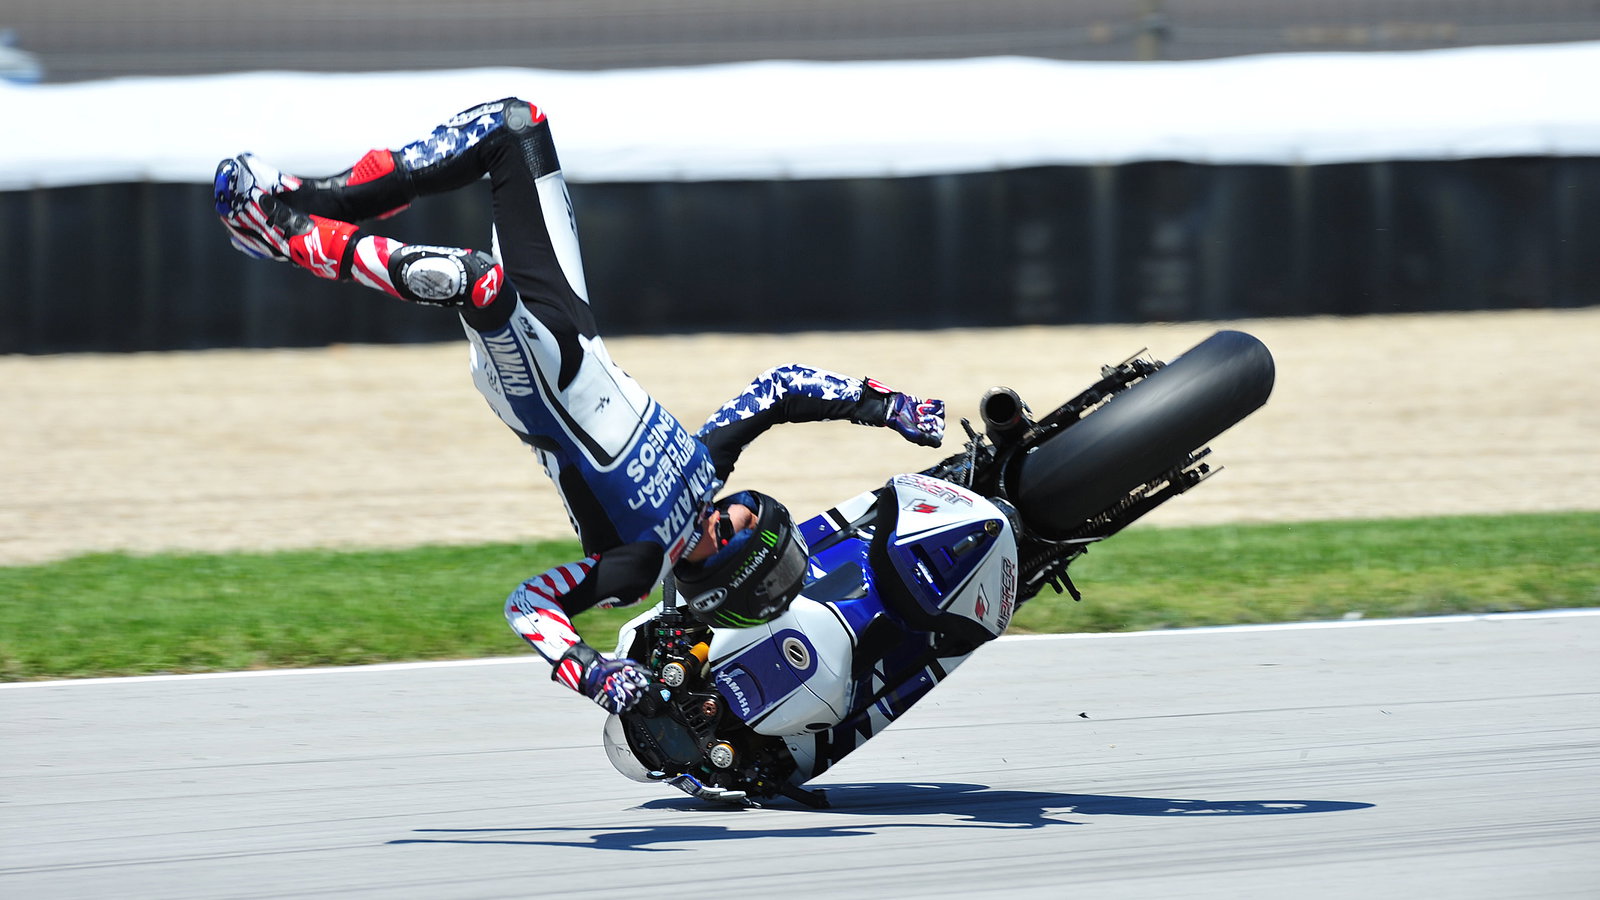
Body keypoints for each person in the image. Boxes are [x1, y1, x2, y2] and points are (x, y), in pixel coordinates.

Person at [212, 97, 945, 714]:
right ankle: (307, 199)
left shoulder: (634, 566)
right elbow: (782, 387)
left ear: (733, 564)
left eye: (754, 525)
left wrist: (593, 674)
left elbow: (529, 604)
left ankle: (290, 237)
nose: (755, 507)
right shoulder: (706, 469)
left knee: (473, 282)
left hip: (537, 382)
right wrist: (888, 407)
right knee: (514, 128)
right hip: (574, 329)